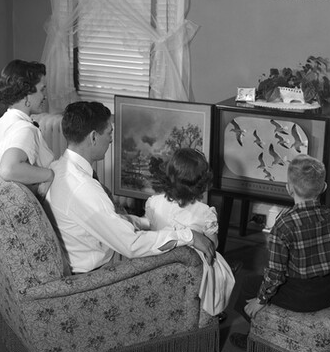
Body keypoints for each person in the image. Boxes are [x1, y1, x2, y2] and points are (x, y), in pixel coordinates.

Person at [46, 101, 216, 274]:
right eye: (109, 133)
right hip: (93, 277)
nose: (111, 139)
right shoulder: (84, 189)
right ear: (93, 137)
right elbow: (131, 245)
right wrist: (188, 236)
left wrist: (137, 221)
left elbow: (100, 220)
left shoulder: (57, 168)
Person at [230, 154, 330, 349]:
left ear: (289, 188)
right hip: (326, 292)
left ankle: (257, 337)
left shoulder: (284, 223)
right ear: (323, 188)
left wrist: (261, 300)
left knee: (247, 284)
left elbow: (275, 273)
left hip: (298, 296)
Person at [144, 148, 236, 317]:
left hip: (158, 264)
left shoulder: (153, 203)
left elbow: (151, 231)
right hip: (191, 270)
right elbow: (212, 244)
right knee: (218, 265)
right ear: (202, 183)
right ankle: (212, 306)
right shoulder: (205, 213)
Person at [0, 59, 54, 198]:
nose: (45, 95)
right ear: (26, 95)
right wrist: (50, 175)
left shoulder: (1, 123)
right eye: (42, 89)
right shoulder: (25, 129)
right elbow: (8, 169)